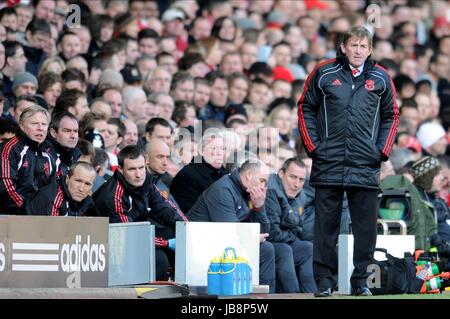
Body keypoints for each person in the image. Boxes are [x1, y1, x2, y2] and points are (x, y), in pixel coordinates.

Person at [298, 27, 399, 297]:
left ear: (370, 50)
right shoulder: (323, 72)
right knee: (325, 228)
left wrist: (380, 152)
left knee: (366, 230)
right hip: (327, 162)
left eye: (362, 46)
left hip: (365, 164)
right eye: (353, 45)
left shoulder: (381, 77)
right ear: (343, 47)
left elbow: (392, 115)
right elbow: (305, 107)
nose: (357, 50)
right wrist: (314, 148)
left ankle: (360, 283)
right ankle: (324, 283)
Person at [93, 145, 188, 280]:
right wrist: (166, 243)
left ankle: (185, 284)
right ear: (120, 169)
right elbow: (130, 237)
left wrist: (188, 229)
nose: (138, 174)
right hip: (109, 246)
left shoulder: (147, 182)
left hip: (134, 234)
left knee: (177, 233)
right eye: (132, 169)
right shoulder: (113, 196)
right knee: (159, 260)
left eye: (141, 168)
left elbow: (167, 209)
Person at [188, 159, 276, 293]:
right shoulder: (223, 190)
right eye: (262, 180)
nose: (263, 186)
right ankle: (258, 297)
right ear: (248, 175)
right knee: (265, 250)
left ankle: (264, 295)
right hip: (200, 243)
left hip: (222, 242)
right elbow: (229, 231)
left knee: (272, 249)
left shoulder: (249, 191)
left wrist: (259, 207)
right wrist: (252, 239)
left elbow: (264, 233)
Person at [265, 158, 316, 293]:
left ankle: (311, 294)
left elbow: (299, 228)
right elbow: (272, 233)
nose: (297, 184)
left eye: (301, 179)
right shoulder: (271, 190)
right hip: (262, 243)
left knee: (308, 248)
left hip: (284, 241)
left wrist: (291, 234)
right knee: (284, 249)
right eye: (292, 177)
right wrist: (291, 235)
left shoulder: (301, 195)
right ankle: (293, 295)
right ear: (281, 174)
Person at [0, 105, 55, 214]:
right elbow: (5, 186)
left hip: (41, 217)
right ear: (22, 126)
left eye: (44, 124)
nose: (40, 128)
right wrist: (28, 209)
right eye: (34, 123)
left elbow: (55, 187)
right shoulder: (9, 148)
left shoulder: (50, 152)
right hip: (11, 215)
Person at [170, 132, 227, 213]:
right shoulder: (187, 176)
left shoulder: (224, 174)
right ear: (202, 151)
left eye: (222, 148)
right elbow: (186, 214)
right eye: (214, 148)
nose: (220, 153)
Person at [25, 161, 97, 216]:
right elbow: (50, 232)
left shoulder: (86, 202)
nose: (81, 188)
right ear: (68, 179)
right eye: (78, 181)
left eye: (87, 184)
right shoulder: (52, 198)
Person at [47, 111, 80, 178]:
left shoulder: (78, 156)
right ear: (53, 133)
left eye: (75, 131)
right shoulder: (44, 157)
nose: (73, 136)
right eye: (67, 131)